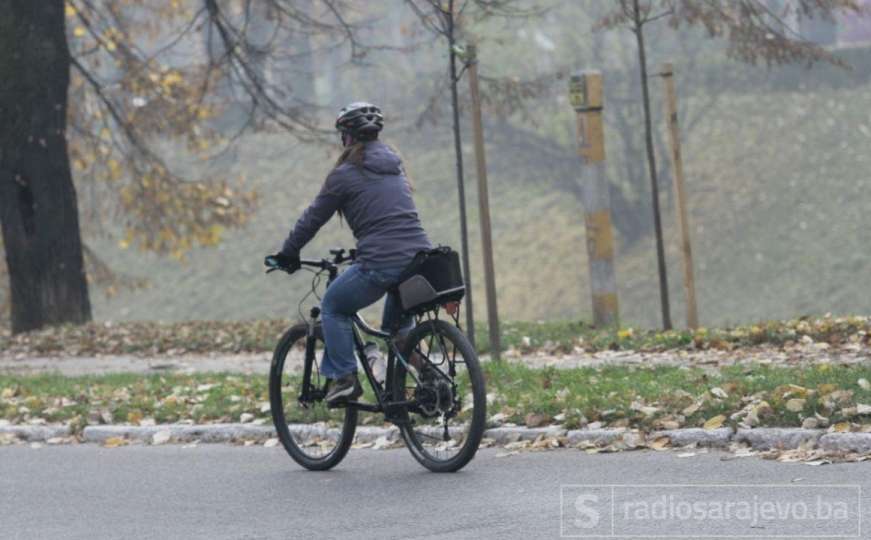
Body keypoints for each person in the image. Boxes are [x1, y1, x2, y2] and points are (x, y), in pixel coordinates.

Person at [265, 102, 432, 404]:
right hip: (421, 260)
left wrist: (288, 253)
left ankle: (344, 377)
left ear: (346, 137)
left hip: (382, 263)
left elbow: (312, 218)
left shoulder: (344, 174)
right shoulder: (396, 167)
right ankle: (429, 381)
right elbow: (388, 220)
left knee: (333, 306)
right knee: (398, 332)